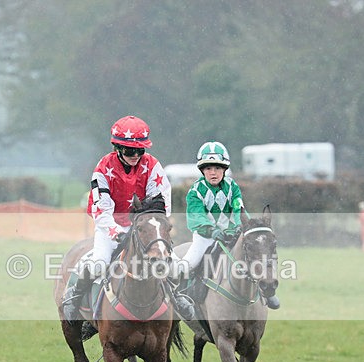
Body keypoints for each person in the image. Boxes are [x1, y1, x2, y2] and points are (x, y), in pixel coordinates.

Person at [62, 115, 195, 321]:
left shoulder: (152, 166)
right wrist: (115, 231)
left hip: (144, 229)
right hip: (111, 228)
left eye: (140, 150)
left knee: (175, 265)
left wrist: (147, 227)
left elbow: (159, 205)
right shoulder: (103, 168)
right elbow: (101, 209)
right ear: (118, 148)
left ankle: (176, 296)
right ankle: (75, 296)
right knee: (99, 263)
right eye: (129, 150)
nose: (135, 155)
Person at [178, 141, 280, 309]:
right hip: (205, 237)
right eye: (209, 168)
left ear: (224, 169)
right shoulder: (195, 191)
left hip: (231, 234)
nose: (213, 173)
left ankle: (268, 293)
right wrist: (212, 230)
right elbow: (197, 217)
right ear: (202, 170)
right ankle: (182, 297)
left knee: (255, 257)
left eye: (218, 168)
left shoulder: (232, 187)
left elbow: (239, 209)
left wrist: (243, 227)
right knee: (188, 264)